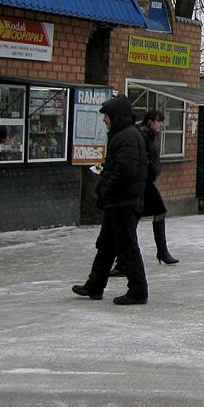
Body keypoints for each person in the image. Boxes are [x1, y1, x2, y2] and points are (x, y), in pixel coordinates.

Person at [72, 95, 149, 305]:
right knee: (106, 244)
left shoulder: (127, 137)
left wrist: (106, 190)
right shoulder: (122, 135)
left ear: (116, 116)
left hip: (124, 201)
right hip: (119, 200)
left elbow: (125, 171)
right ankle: (94, 286)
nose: (104, 120)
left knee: (127, 247)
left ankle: (138, 291)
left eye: (106, 116)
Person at [139, 108, 178, 264]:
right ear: (150, 122)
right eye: (159, 121)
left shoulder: (150, 135)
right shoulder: (143, 135)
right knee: (133, 218)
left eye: (162, 121)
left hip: (147, 182)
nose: (161, 124)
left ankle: (162, 251)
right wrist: (150, 168)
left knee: (159, 211)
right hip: (142, 182)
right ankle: (123, 259)